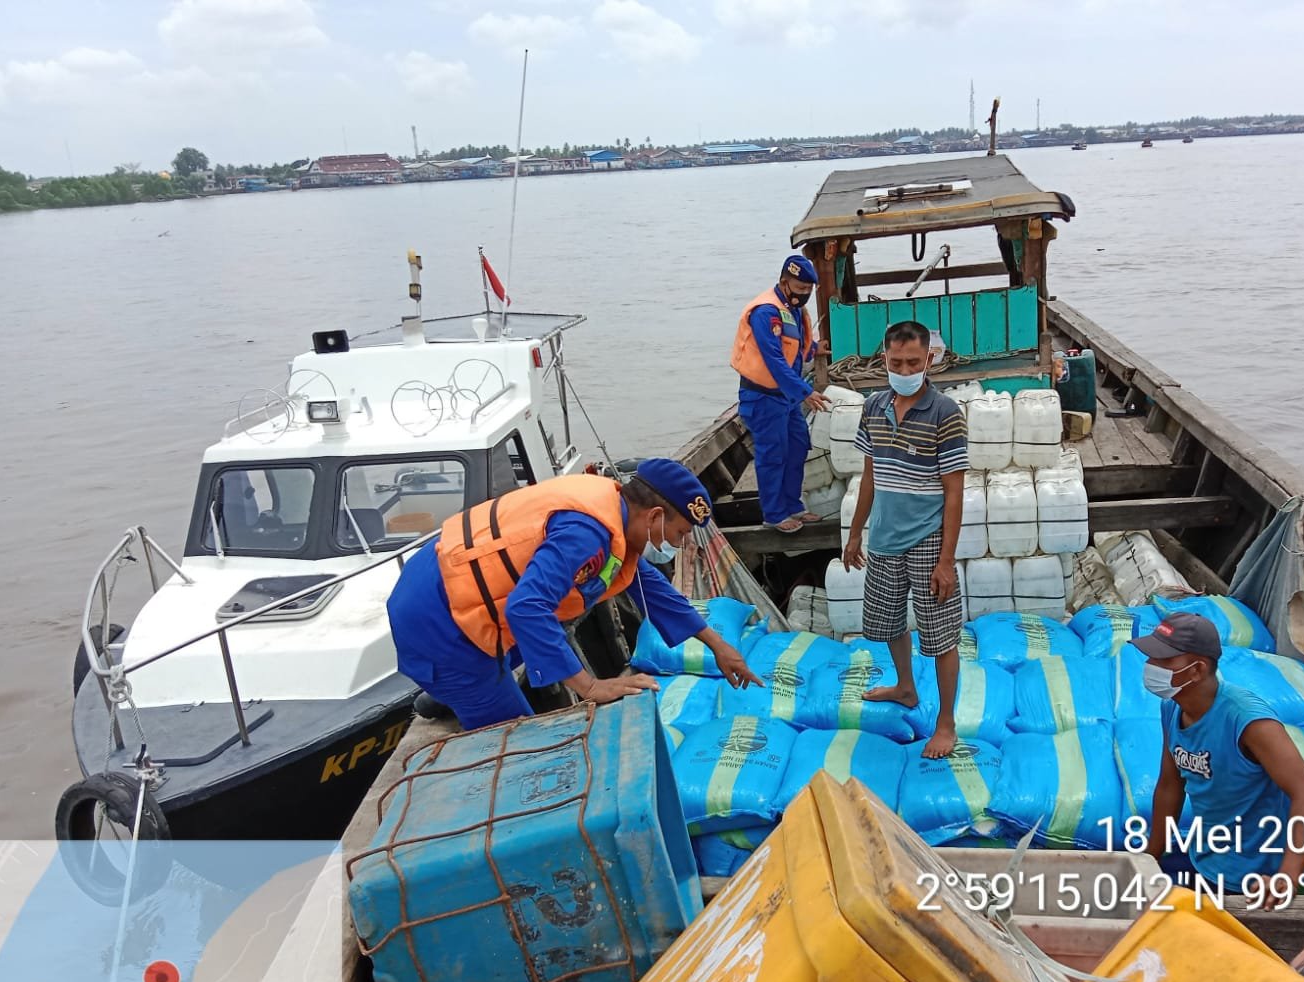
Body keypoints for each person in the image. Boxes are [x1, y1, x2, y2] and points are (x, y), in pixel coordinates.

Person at [387, 460, 761, 730]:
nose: (678, 545)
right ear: (655, 516)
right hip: (439, 619)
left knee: (534, 638)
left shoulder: (614, 513)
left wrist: (716, 644)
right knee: (515, 739)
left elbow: (650, 586)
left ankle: (446, 695)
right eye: (678, 534)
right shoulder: (586, 534)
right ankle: (458, 688)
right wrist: (591, 687)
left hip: (448, 583)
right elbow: (527, 608)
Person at [842, 321, 967, 758]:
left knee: (941, 636)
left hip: (929, 539)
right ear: (884, 360)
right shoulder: (874, 407)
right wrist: (855, 532)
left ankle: (946, 723)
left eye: (913, 361)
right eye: (896, 362)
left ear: (929, 359)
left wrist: (946, 560)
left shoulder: (945, 413)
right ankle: (905, 687)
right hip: (884, 536)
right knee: (888, 621)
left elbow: (954, 492)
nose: (905, 368)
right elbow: (871, 475)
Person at [1136, 612, 1304, 892]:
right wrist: (1150, 857)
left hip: (1258, 880)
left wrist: (1287, 877)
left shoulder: (1249, 721)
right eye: (1151, 658)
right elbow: (1169, 786)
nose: (1151, 666)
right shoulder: (1173, 707)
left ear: (1197, 669)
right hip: (1207, 862)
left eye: (1163, 660)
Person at [730, 255, 831, 534]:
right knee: (772, 454)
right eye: (799, 290)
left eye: (808, 291)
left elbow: (795, 346)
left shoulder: (793, 309)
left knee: (797, 447)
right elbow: (774, 360)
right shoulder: (766, 312)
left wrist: (814, 350)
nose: (803, 296)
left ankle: (793, 505)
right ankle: (774, 514)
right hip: (763, 397)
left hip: (785, 397)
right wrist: (806, 392)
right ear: (784, 283)